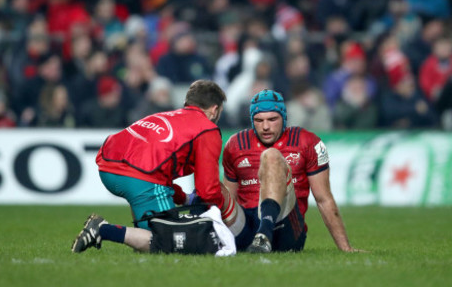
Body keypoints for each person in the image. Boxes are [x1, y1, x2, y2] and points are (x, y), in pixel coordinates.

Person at [71, 80, 230, 253]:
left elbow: (157, 167)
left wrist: (182, 197)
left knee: (149, 237)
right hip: (139, 178)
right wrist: (226, 209)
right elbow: (208, 191)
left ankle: (140, 237)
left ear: (187, 104)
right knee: (170, 240)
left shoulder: (164, 116)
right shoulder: (207, 129)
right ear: (215, 110)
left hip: (108, 166)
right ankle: (102, 229)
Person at [221, 89, 359, 253]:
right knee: (215, 188)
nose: (265, 127)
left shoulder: (308, 142)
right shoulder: (235, 145)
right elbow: (229, 198)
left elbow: (323, 199)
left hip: (286, 232)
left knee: (271, 156)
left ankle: (264, 234)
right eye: (259, 120)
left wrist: (345, 248)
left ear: (284, 118)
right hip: (248, 229)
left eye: (272, 119)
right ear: (252, 121)